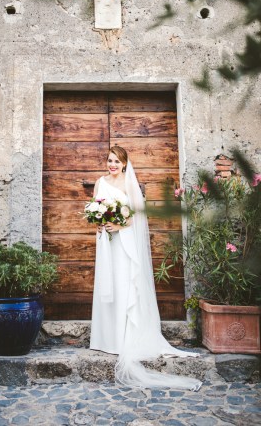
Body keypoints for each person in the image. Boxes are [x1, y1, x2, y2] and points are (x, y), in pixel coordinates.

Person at [89, 145, 202, 390]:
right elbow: (95, 208)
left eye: (117, 161)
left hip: (124, 242)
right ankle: (106, 338)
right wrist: (99, 224)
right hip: (105, 243)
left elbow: (135, 216)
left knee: (122, 283)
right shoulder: (100, 182)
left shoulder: (129, 184)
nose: (112, 165)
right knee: (108, 283)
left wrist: (119, 227)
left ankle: (124, 338)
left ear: (125, 164)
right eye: (109, 160)